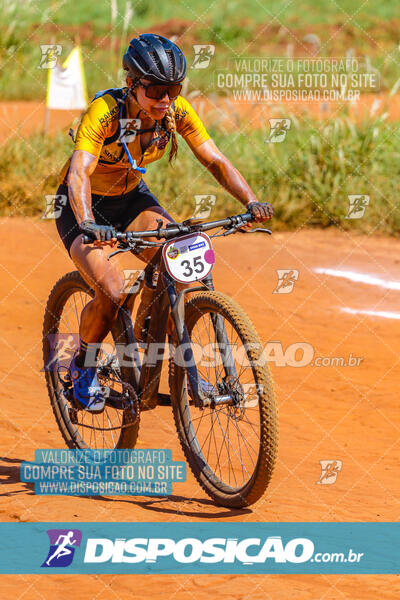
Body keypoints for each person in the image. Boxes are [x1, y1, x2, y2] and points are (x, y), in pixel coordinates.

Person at [55, 33, 273, 413]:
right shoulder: (105, 112)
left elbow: (215, 160)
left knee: (179, 261)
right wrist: (89, 223)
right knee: (112, 288)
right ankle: (82, 366)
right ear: (132, 84)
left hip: (131, 200)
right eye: (155, 90)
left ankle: (151, 340)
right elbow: (79, 174)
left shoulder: (175, 111)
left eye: (173, 89)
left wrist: (251, 202)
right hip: (82, 206)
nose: (165, 99)